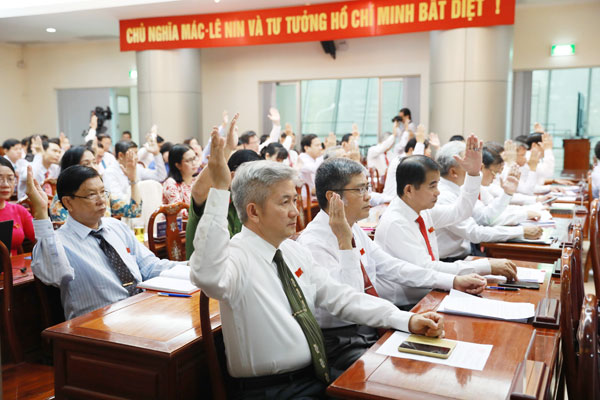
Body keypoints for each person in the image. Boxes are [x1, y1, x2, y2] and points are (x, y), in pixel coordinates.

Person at [188, 130, 443, 399]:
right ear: (253, 211)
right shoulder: (237, 257)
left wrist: (406, 319)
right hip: (271, 390)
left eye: (295, 200)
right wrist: (218, 191)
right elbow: (206, 274)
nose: (295, 211)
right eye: (284, 202)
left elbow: (342, 297)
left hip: (312, 378)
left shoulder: (292, 251)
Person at [298, 157, 484, 377]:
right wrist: (345, 244)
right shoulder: (314, 243)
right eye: (360, 189)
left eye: (367, 187)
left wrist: (453, 281)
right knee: (406, 374)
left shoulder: (353, 228)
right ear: (333, 197)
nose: (368, 196)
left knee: (441, 353)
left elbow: (393, 267)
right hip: (342, 340)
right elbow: (350, 302)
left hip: (372, 322)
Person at [375, 135, 518, 307]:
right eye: (432, 186)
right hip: (407, 304)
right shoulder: (396, 222)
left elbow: (460, 212)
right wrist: (485, 266)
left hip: (430, 291)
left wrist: (473, 174)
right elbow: (426, 269)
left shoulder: (421, 209)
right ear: (409, 190)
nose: (438, 192)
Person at [28, 165, 183, 320]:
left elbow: (150, 266)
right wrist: (41, 213)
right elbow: (53, 275)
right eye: (91, 195)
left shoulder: (116, 227)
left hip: (141, 310)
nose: (101, 200)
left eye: (103, 192)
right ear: (68, 202)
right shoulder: (58, 242)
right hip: (97, 324)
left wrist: (188, 268)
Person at [434, 140, 543, 260]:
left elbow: (484, 217)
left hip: (466, 253)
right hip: (450, 260)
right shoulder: (443, 195)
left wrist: (507, 194)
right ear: (453, 172)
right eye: (468, 163)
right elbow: (474, 232)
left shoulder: (459, 188)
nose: (476, 168)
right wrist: (520, 231)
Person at [185, 113, 262, 258]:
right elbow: (198, 191)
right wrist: (227, 149)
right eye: (253, 178)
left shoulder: (250, 204)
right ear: (232, 176)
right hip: (204, 268)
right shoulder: (213, 197)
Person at [50, 146, 141, 222]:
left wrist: (133, 180)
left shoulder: (102, 195)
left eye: (95, 162)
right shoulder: (63, 201)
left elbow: (134, 211)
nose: (94, 168)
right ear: (71, 168)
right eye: (86, 164)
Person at [103, 139, 166, 203]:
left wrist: (156, 154)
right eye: (133, 154)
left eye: (137, 153)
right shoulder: (110, 173)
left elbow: (160, 176)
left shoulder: (137, 167)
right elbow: (117, 199)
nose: (137, 158)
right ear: (121, 155)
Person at [0, 158, 34, 255]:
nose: (6, 184)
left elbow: (41, 238)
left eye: (10, 179)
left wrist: (41, 208)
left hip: (14, 264)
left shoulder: (19, 210)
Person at [162, 144, 200, 218]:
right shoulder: (171, 183)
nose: (194, 163)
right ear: (178, 165)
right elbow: (179, 213)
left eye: (194, 158)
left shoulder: (197, 180)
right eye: (189, 160)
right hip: (177, 224)